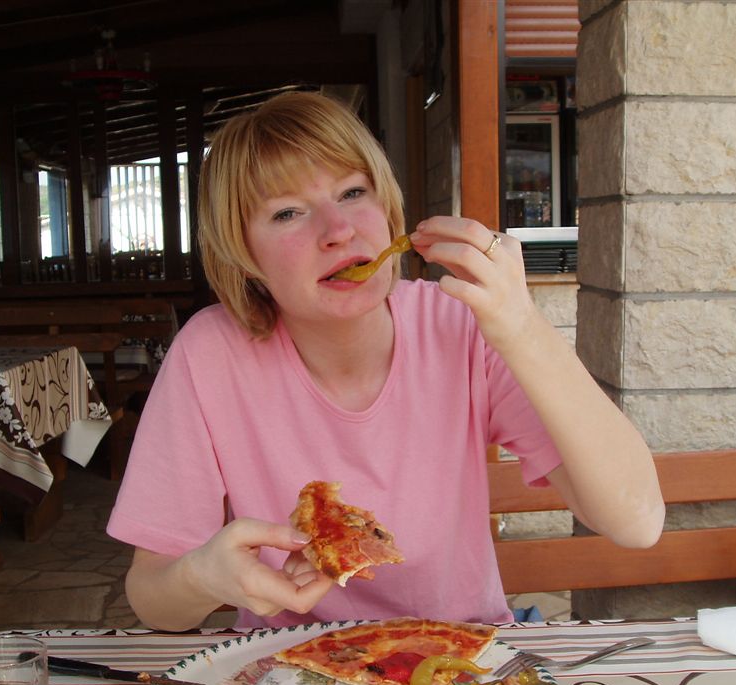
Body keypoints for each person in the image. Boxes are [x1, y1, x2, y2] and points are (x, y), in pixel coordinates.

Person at [106, 91, 665, 630]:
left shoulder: (458, 325)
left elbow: (637, 522)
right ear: (242, 254)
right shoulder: (210, 355)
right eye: (287, 213)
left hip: (457, 666)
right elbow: (154, 600)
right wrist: (202, 577)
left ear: (389, 210)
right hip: (289, 674)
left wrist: (524, 329)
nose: (339, 230)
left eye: (353, 192)